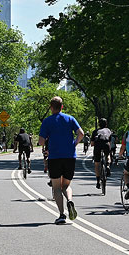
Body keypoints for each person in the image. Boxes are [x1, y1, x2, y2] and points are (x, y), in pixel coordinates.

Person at [38, 96, 84, 224]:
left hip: (55, 157)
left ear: (51, 107)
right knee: (66, 186)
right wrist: (74, 144)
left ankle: (62, 215)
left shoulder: (47, 121)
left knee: (57, 187)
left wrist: (44, 145)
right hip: (70, 157)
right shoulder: (70, 119)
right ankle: (69, 201)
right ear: (62, 107)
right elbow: (81, 133)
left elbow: (41, 141)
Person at [91, 118, 113, 189]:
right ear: (106, 124)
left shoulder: (95, 131)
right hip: (106, 144)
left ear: (99, 124)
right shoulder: (108, 130)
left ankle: (98, 181)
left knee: (97, 163)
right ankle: (108, 166)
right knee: (108, 155)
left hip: (97, 145)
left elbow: (92, 143)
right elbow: (110, 140)